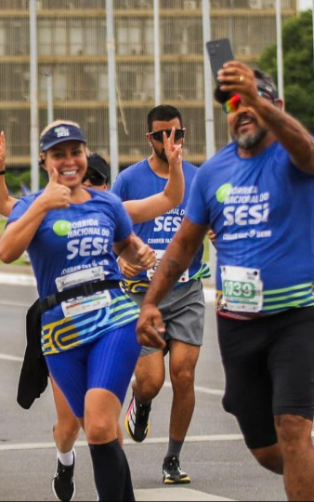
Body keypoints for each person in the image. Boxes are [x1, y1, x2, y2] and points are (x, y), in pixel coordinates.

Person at [137, 66, 314, 502]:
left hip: (297, 317)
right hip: (239, 322)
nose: (241, 111)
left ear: (275, 107)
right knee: (266, 450)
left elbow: (312, 154)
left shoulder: (298, 156)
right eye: (233, 104)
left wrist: (257, 99)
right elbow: (184, 244)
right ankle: (311, 467)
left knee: (292, 425)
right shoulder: (212, 173)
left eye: (252, 101)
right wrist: (150, 303)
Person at [0, 124, 170, 501]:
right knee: (99, 432)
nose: (69, 161)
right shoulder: (30, 205)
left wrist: (139, 252)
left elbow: (125, 243)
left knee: (103, 423)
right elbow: (6, 252)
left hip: (112, 320)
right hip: (60, 332)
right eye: (59, 154)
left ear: (85, 155)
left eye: (75, 152)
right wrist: (42, 205)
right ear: (45, 161)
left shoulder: (106, 202)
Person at [113, 105, 203, 485]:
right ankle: (143, 402)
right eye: (162, 135)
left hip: (187, 290)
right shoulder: (129, 180)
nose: (170, 142)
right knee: (151, 381)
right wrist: (120, 259)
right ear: (148, 138)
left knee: (183, 375)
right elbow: (108, 226)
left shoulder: (200, 178)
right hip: (141, 296)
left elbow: (215, 222)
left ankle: (172, 457)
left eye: (177, 134)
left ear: (184, 135)